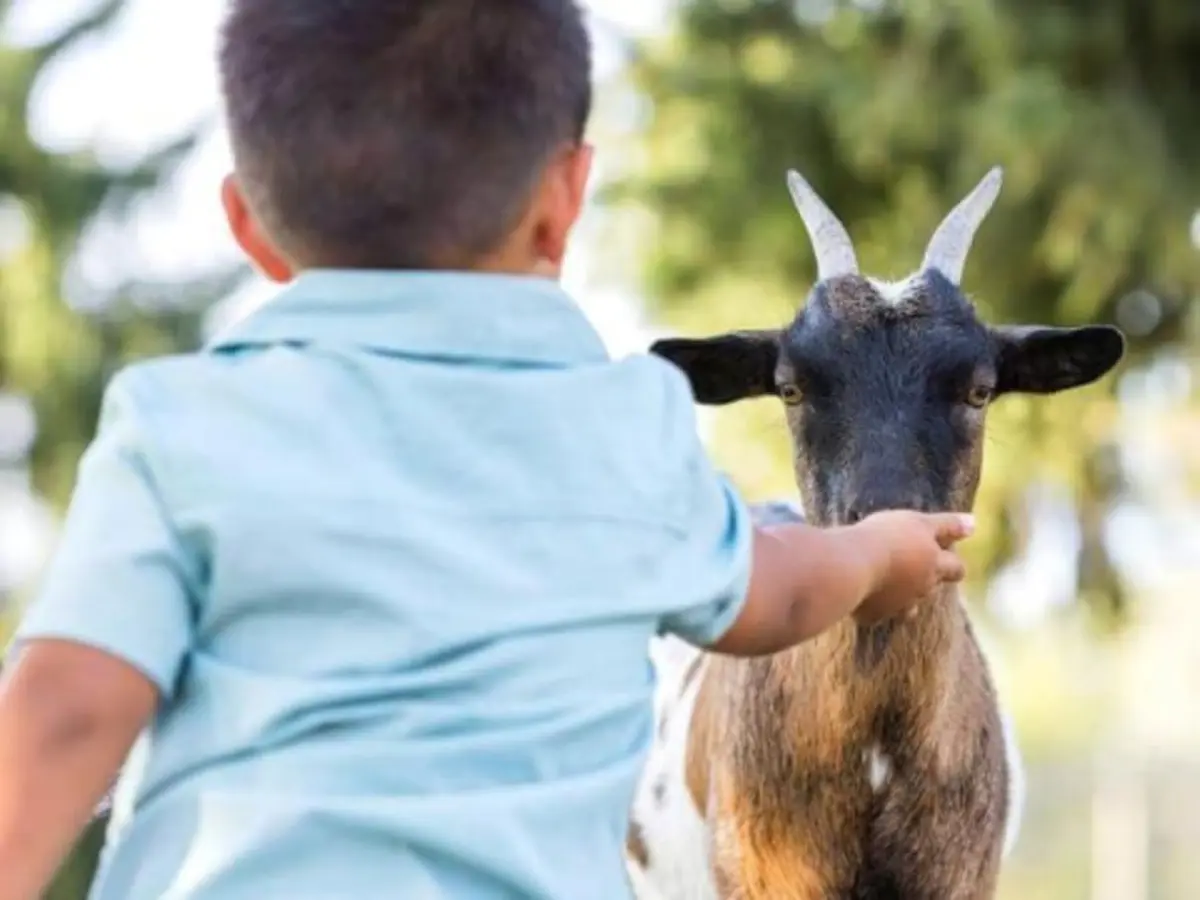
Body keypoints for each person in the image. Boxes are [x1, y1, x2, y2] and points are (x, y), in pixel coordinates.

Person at [0, 2, 974, 898]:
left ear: (248, 225)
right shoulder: (620, 424)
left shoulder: (179, 428)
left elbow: (64, 712)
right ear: (564, 200)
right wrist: (874, 554)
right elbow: (776, 591)